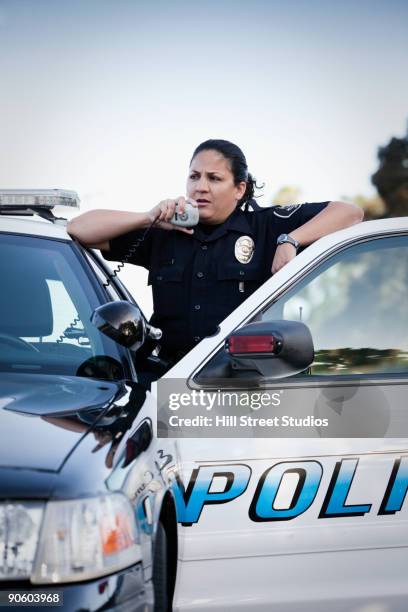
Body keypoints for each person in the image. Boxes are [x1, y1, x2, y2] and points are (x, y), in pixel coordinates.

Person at [67, 139, 363, 365]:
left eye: (214, 178)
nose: (201, 187)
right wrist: (148, 218)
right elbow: (79, 228)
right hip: (167, 378)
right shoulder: (164, 231)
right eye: (194, 177)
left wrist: (290, 240)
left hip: (240, 382)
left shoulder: (265, 227)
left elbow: (350, 213)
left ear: (239, 188)